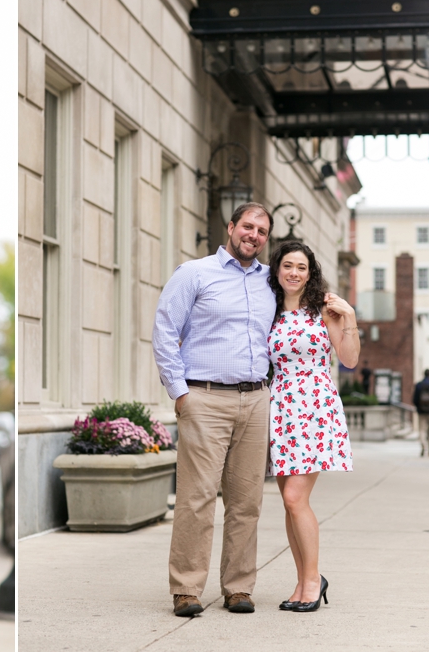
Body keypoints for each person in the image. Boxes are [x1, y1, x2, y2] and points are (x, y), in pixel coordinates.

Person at [152, 203, 275, 617]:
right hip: (204, 398)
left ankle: (238, 587)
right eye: (247, 226)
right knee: (197, 497)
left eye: (261, 230)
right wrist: (180, 392)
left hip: (256, 399)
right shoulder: (195, 273)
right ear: (231, 227)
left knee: (247, 501)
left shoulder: (271, 283)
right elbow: (165, 329)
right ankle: (186, 588)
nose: (253, 235)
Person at [266, 241, 358, 613]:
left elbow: (349, 360)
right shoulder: (268, 310)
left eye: (301, 267)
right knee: (290, 505)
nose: (293, 273)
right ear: (277, 270)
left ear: (310, 272)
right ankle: (303, 580)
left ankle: (313, 579)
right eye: (287, 265)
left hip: (315, 408)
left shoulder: (324, 310)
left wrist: (349, 317)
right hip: (280, 408)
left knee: (294, 498)